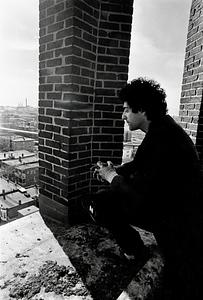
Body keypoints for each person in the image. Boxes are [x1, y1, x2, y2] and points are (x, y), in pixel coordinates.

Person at [80, 77, 202, 299]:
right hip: (175, 213)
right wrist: (116, 170)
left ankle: (135, 252)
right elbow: (141, 166)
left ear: (142, 109)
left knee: (97, 202)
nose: (123, 115)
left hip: (173, 223)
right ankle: (136, 250)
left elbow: (141, 198)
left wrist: (112, 178)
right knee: (106, 196)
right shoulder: (164, 131)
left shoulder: (162, 139)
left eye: (126, 109)